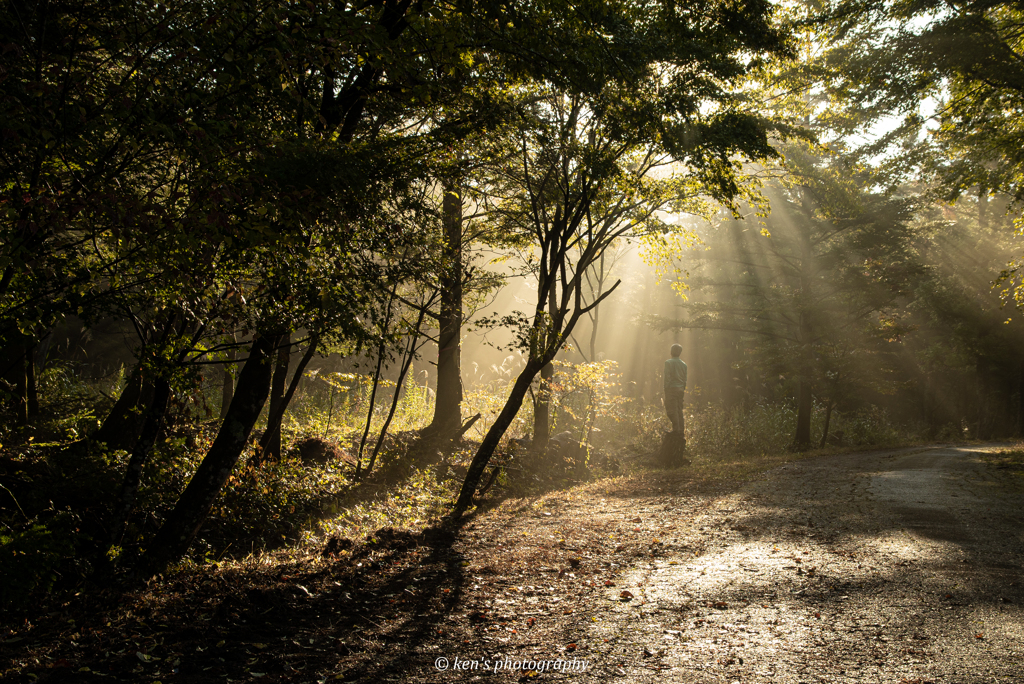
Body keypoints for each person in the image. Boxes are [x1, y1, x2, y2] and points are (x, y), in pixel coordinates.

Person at [663, 343, 687, 434]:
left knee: (671, 409)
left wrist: (666, 388)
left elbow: (667, 377)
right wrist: (683, 388)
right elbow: (685, 379)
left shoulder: (668, 363)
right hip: (680, 389)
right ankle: (681, 430)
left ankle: (676, 430)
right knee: (679, 409)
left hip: (671, 388)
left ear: (671, 352)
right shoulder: (684, 364)